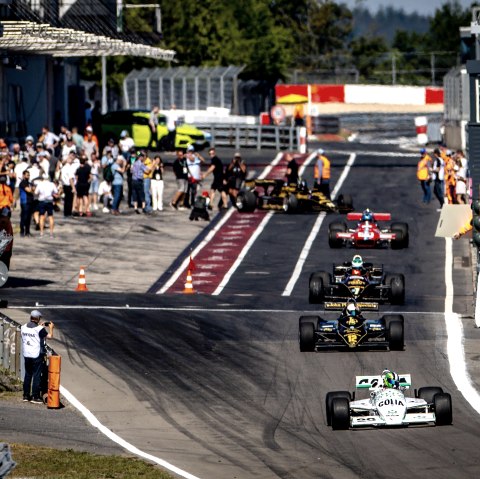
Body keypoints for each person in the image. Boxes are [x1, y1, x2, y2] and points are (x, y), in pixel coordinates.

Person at [21, 310, 54, 403]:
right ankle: (35, 396)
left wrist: (40, 327)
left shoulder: (23, 327)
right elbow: (50, 336)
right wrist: (51, 328)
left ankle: (26, 395)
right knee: (36, 375)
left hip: (26, 354)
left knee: (27, 374)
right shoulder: (39, 329)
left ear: (30, 317)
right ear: (38, 318)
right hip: (36, 355)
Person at [19, 169, 34, 237]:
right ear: (23, 175)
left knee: (28, 218)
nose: (28, 176)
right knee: (24, 217)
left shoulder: (29, 183)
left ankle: (27, 232)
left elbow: (33, 189)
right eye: (27, 175)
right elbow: (29, 190)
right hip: (25, 202)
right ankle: (22, 231)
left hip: (30, 202)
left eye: (29, 175)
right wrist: (33, 189)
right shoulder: (23, 183)